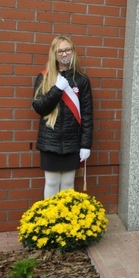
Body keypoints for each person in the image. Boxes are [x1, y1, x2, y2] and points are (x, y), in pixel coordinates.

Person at [31, 35, 93, 198]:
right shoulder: (44, 77)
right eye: (60, 51)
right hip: (49, 140)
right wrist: (57, 89)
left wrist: (86, 145)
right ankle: (51, 221)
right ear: (54, 54)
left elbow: (87, 115)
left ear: (73, 51)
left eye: (68, 50)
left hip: (73, 141)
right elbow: (39, 108)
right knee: (51, 182)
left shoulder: (82, 80)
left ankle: (65, 221)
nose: (65, 54)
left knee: (68, 183)